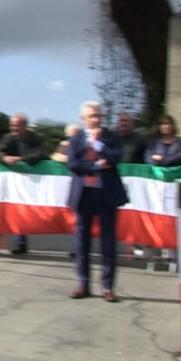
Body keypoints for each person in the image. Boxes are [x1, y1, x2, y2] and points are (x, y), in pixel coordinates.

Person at [66, 101, 129, 303]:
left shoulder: (111, 137)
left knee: (108, 241)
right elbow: (73, 164)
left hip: (106, 193)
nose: (96, 119)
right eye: (92, 116)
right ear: (83, 119)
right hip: (84, 193)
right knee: (81, 241)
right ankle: (83, 283)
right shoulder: (76, 139)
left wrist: (98, 144)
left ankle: (107, 286)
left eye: (98, 115)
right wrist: (95, 165)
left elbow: (116, 156)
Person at [0, 113, 44, 255]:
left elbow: (40, 154)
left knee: (30, 210)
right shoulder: (8, 138)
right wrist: (5, 158)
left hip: (32, 178)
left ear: (24, 126)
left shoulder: (34, 138)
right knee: (17, 209)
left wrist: (22, 159)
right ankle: (20, 243)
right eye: (12, 125)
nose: (13, 128)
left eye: (16, 125)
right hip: (14, 179)